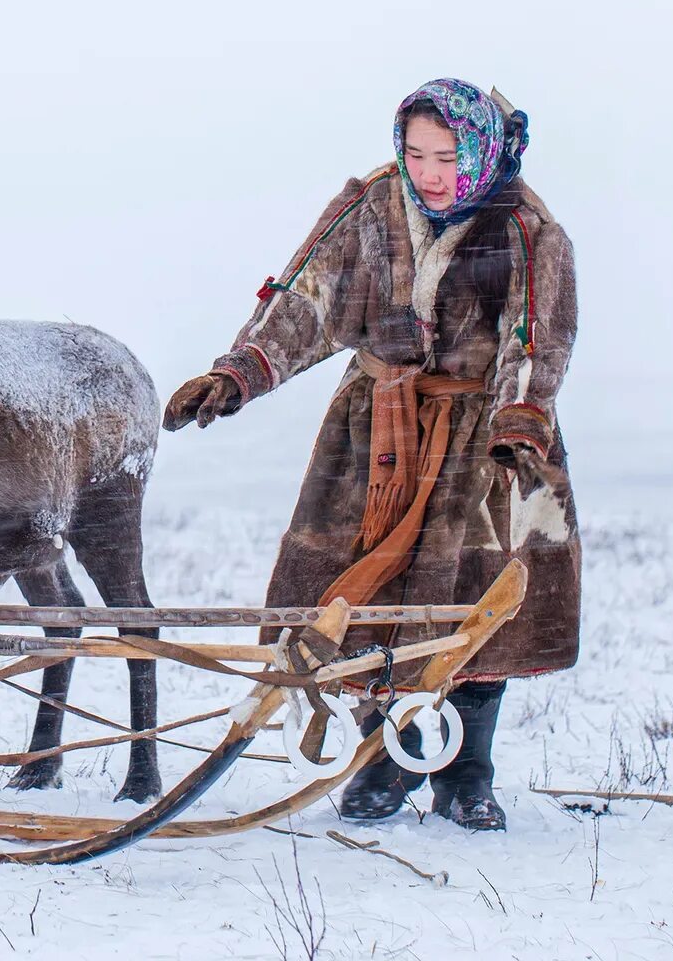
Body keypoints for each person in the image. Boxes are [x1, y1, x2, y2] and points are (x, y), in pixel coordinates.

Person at [163, 79, 581, 830]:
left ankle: (467, 777)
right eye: (416, 153)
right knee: (360, 602)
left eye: (447, 156)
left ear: (481, 151)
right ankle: (386, 762)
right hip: (376, 437)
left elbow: (536, 334)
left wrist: (521, 419)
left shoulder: (525, 228)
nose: (429, 172)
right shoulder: (371, 207)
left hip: (486, 442)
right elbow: (304, 300)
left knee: (477, 606)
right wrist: (237, 373)